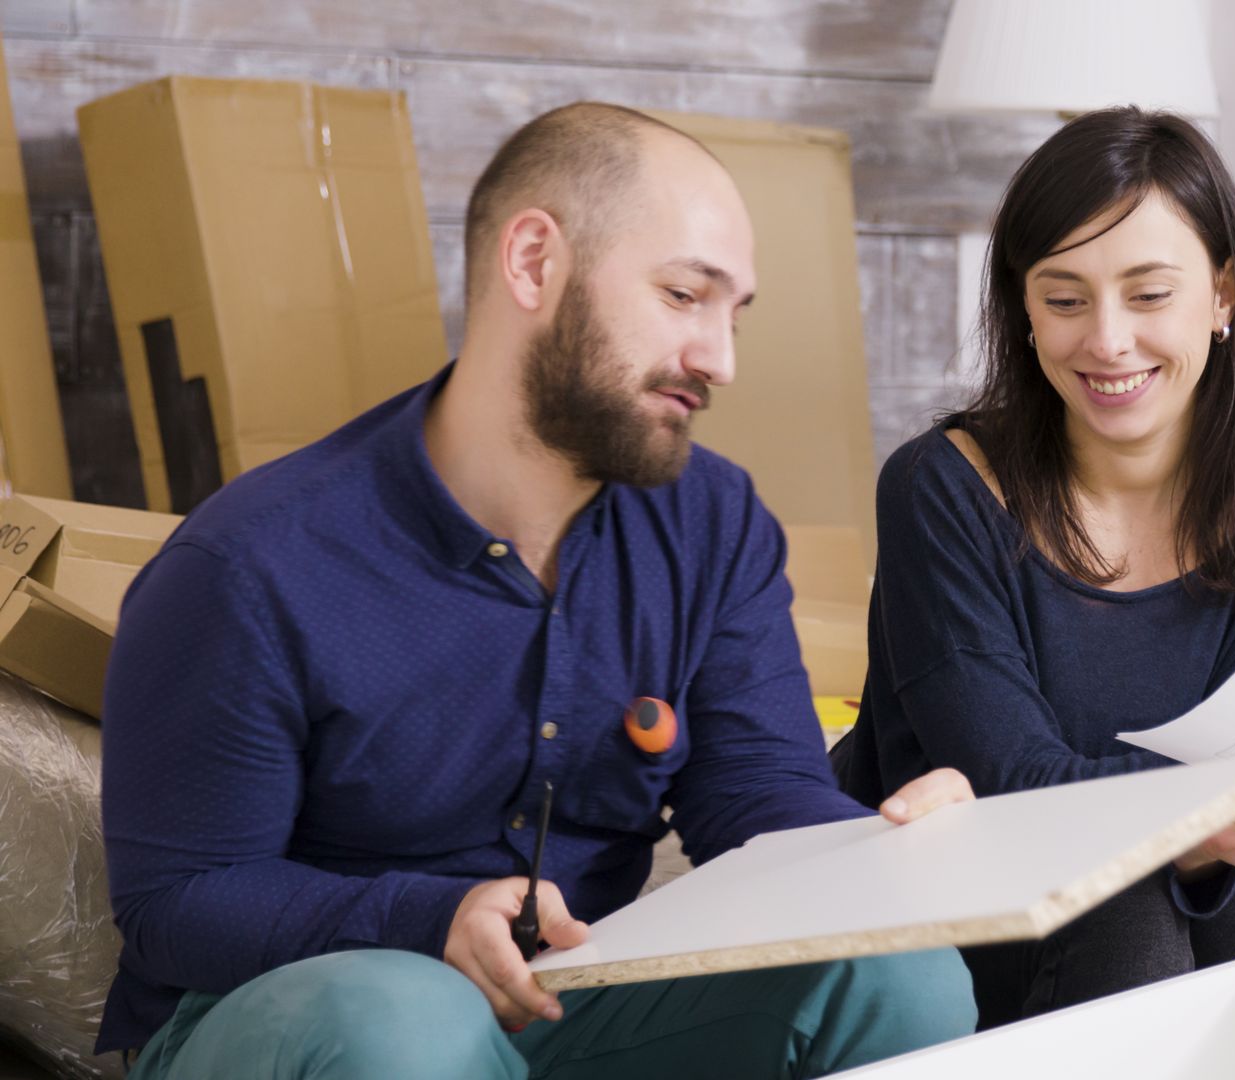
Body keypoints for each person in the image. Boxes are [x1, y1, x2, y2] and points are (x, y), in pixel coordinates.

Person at [97, 102, 978, 1080]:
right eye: (685, 295)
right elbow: (177, 901)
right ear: (531, 263)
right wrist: (426, 919)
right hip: (298, 1013)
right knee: (409, 1018)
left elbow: (753, 796)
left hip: (571, 1002)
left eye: (734, 313)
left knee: (897, 973)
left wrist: (880, 852)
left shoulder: (713, 522)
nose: (720, 358)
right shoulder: (252, 564)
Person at [832, 106, 1235, 1028]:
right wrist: (1209, 808)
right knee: (1133, 929)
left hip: (1153, 882)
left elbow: (1222, 810)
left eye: (1150, 295)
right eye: (1065, 299)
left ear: (1223, 295)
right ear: (1023, 311)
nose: (1107, 341)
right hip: (947, 900)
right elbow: (1007, 780)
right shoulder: (942, 487)